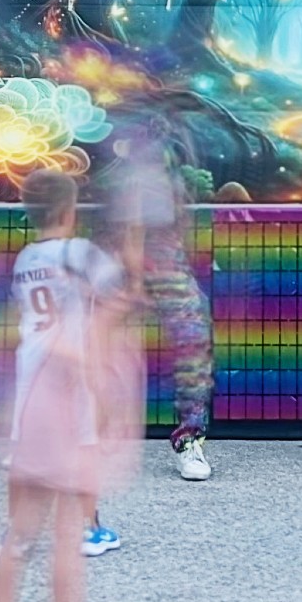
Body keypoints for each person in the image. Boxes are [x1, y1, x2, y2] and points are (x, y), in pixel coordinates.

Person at [0, 169, 138, 602]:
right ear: (70, 210)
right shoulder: (82, 255)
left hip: (28, 397)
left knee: (19, 533)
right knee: (68, 533)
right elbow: (123, 294)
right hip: (70, 397)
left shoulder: (26, 261)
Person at [105, 112, 215, 481]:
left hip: (165, 267)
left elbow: (168, 233)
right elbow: (133, 236)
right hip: (140, 269)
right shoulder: (138, 180)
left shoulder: (168, 180)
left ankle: (189, 439)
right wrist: (135, 286)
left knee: (193, 342)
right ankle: (61, 432)